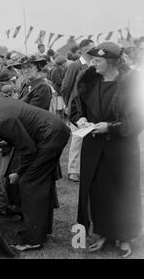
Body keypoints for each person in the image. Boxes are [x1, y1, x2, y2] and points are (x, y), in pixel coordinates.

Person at [74, 42, 143, 258]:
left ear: (111, 61)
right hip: (94, 145)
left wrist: (110, 127)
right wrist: (81, 118)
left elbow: (137, 119)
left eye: (97, 60)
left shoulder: (131, 82)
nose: (92, 64)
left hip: (121, 146)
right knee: (98, 191)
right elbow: (77, 108)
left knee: (122, 191)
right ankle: (104, 233)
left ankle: (124, 236)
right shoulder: (89, 80)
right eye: (92, 59)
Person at [0, 88, 70, 251]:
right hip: (53, 130)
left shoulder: (1, 120)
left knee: (29, 183)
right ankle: (42, 230)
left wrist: (19, 173)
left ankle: (33, 239)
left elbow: (28, 149)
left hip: (50, 135)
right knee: (41, 181)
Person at [60, 39, 95, 182]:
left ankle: (85, 168)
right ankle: (73, 170)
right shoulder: (75, 65)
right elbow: (66, 87)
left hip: (90, 106)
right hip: (76, 107)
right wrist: (69, 104)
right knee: (77, 138)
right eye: (92, 48)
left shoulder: (94, 64)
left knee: (88, 137)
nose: (95, 50)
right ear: (84, 49)